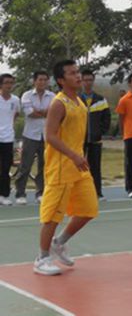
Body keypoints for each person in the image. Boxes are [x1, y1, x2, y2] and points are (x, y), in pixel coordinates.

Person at [34, 60, 99, 276]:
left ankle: (59, 242)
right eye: (72, 73)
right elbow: (50, 136)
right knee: (52, 215)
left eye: (78, 72)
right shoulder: (58, 103)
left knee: (88, 209)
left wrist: (79, 156)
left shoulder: (79, 102)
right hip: (61, 167)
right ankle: (42, 258)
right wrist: (73, 155)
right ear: (61, 80)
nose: (78, 76)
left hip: (78, 167)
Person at [17, 71, 55, 205]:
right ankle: (20, 193)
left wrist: (40, 111)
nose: (43, 82)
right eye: (40, 79)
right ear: (34, 81)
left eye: (45, 80)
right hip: (30, 135)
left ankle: (41, 192)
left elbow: (53, 113)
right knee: (25, 165)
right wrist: (45, 112)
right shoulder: (27, 95)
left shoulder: (52, 96)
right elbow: (30, 113)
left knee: (44, 166)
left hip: (47, 135)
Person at [79, 69, 111, 201]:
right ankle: (79, 194)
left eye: (90, 80)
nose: (88, 82)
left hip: (95, 140)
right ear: (81, 81)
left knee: (95, 168)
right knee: (77, 168)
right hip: (79, 140)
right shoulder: (76, 99)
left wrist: (99, 132)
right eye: (85, 80)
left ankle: (97, 193)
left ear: (93, 81)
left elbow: (107, 119)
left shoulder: (101, 100)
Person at [0, 74, 20, 206]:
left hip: (8, 138)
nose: (9, 85)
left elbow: (16, 114)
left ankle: (4, 195)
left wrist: (8, 127)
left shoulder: (15, 100)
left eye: (11, 83)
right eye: (6, 82)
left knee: (5, 167)